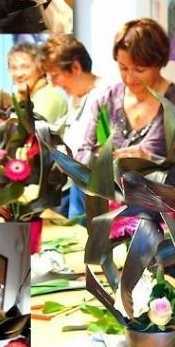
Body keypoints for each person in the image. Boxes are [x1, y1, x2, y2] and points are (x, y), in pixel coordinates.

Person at [75, 18, 175, 165]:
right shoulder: (107, 100)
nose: (129, 78)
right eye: (123, 68)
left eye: (140, 70)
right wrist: (96, 160)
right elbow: (83, 151)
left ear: (159, 63)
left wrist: (151, 160)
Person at [40, 35, 109, 221]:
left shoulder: (105, 97)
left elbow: (104, 149)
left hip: (97, 192)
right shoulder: (76, 97)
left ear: (76, 68)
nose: (53, 84)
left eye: (55, 76)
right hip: (78, 187)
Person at [7, 42, 68, 124]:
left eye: (25, 67)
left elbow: (30, 134)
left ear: (41, 69)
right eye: (13, 68)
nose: (19, 74)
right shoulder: (18, 101)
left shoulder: (48, 98)